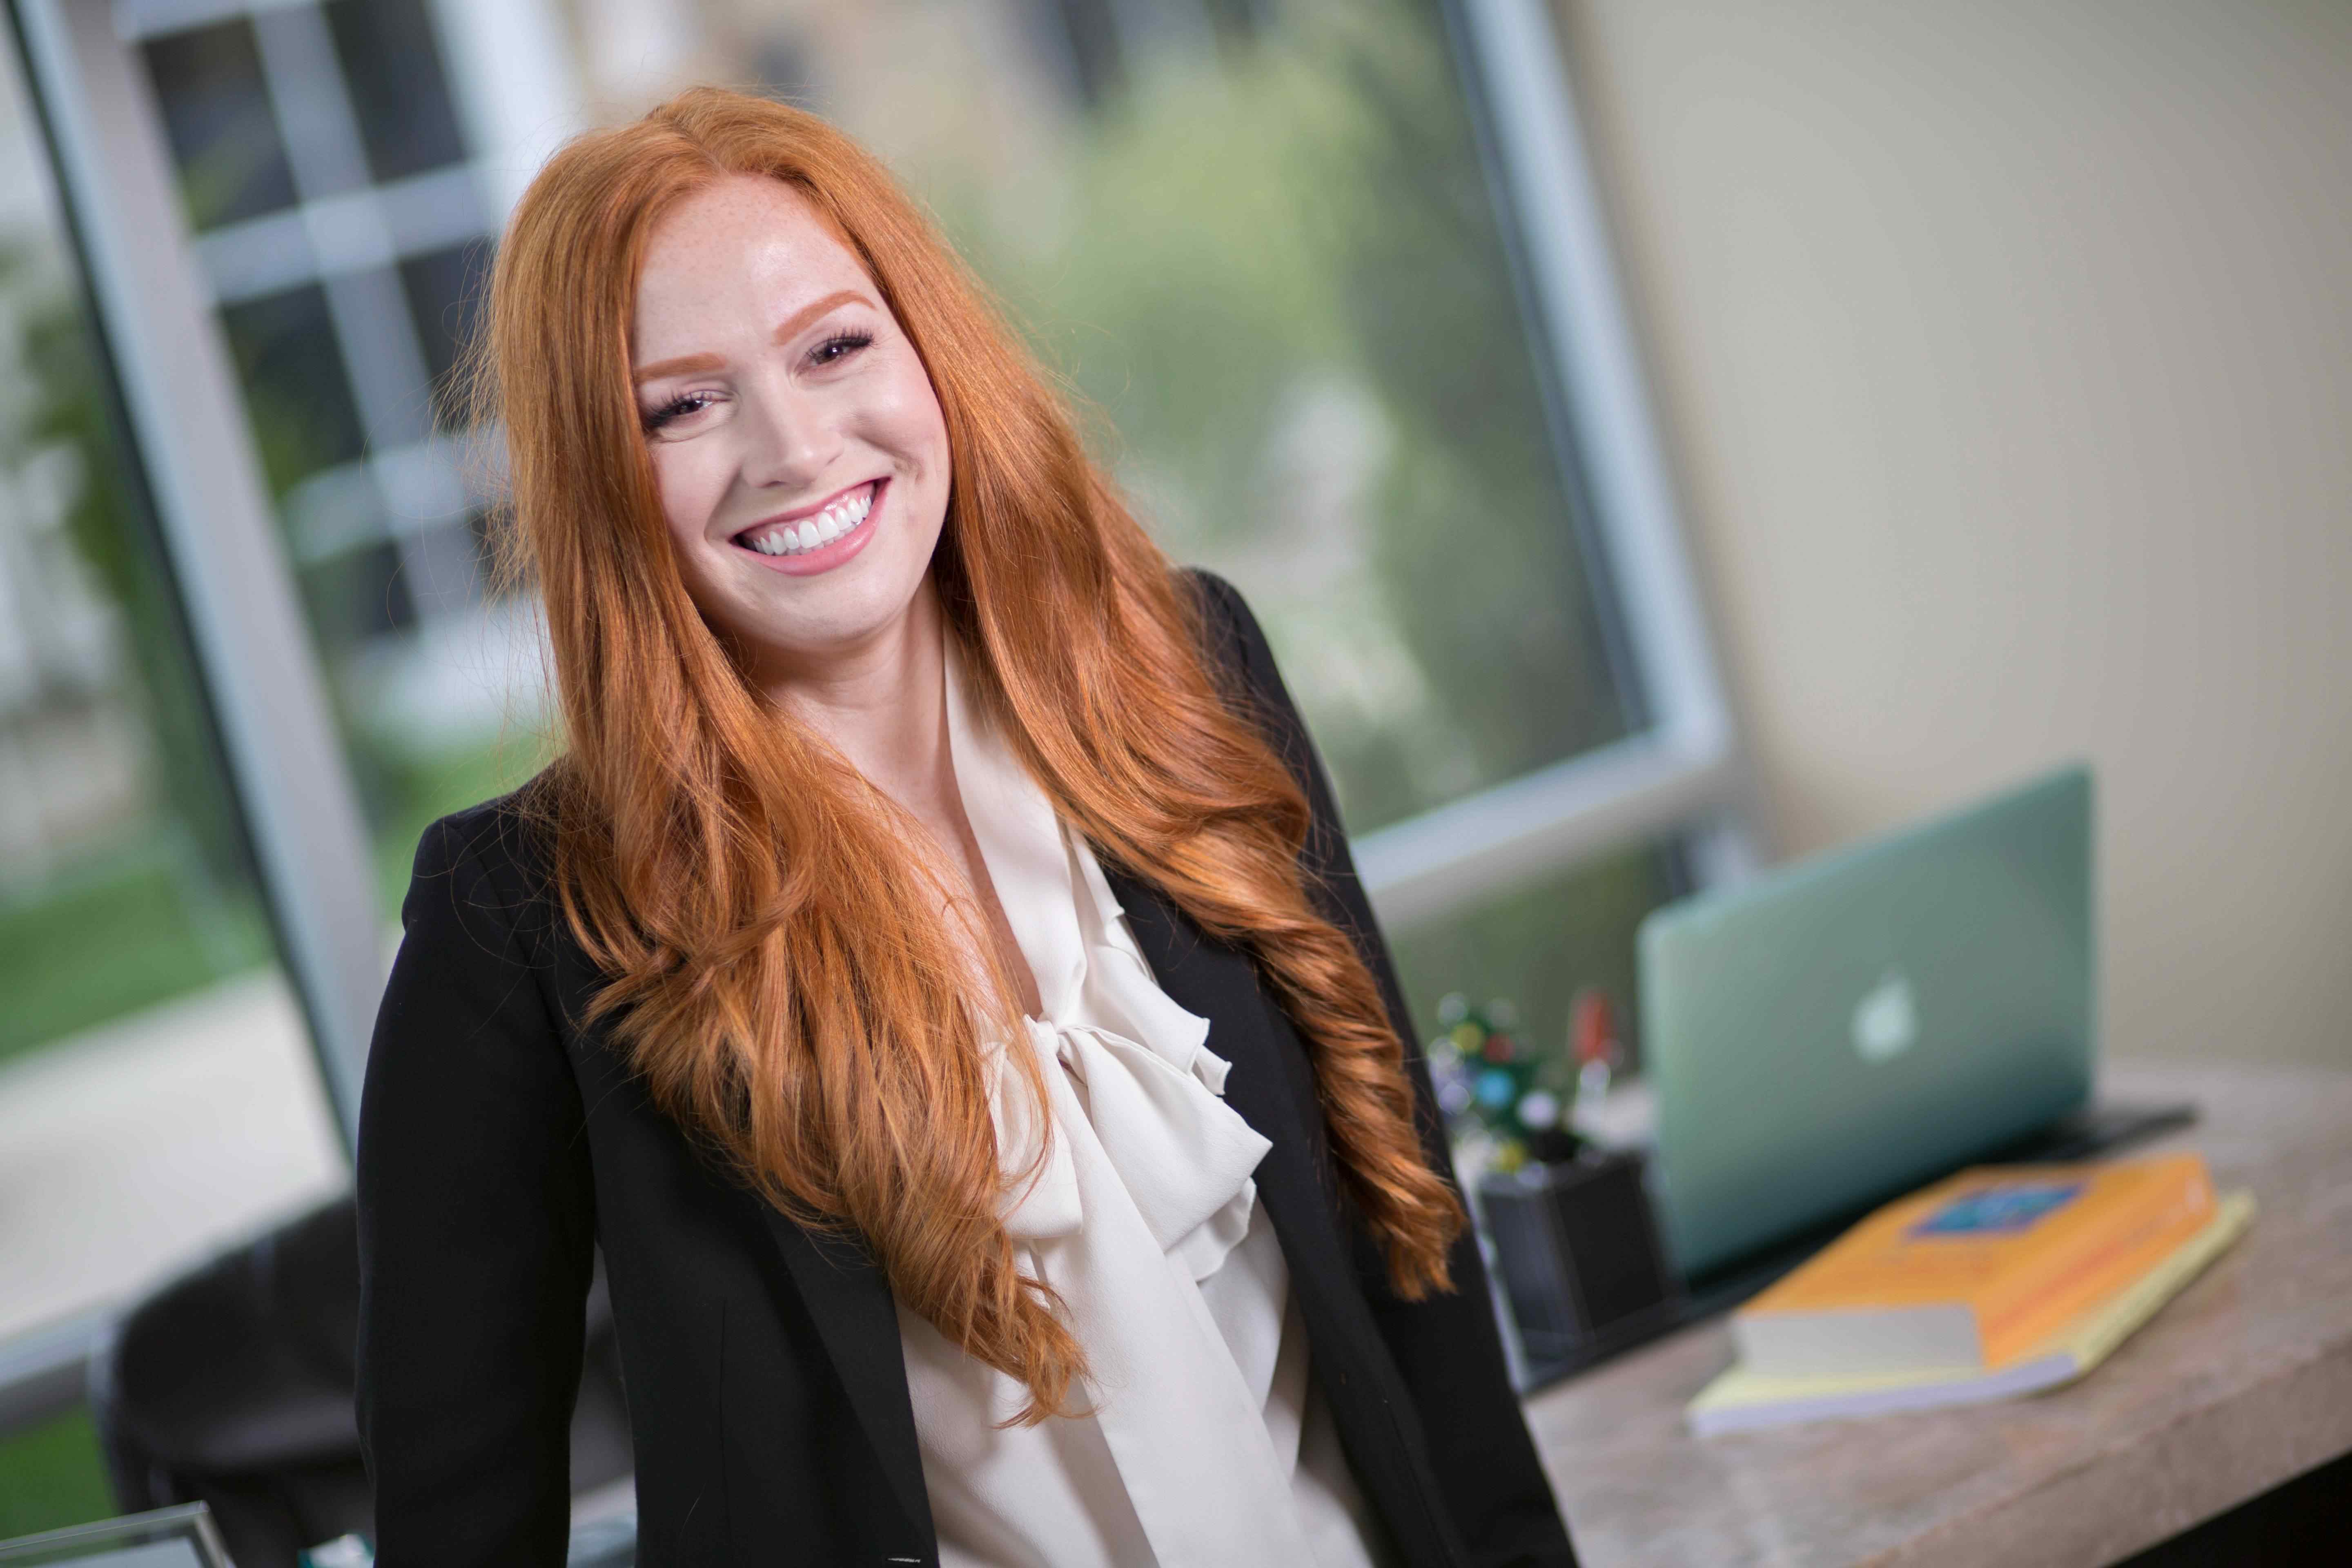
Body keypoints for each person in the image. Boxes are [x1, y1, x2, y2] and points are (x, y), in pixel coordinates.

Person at [355, 86, 1574, 1568]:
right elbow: (455, 1526)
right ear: (599, 477)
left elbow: (1412, 1260)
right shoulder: (527, 914)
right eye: (679, 405)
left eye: (833, 346)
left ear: (929, 347)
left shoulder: (1189, 671)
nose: (794, 448)